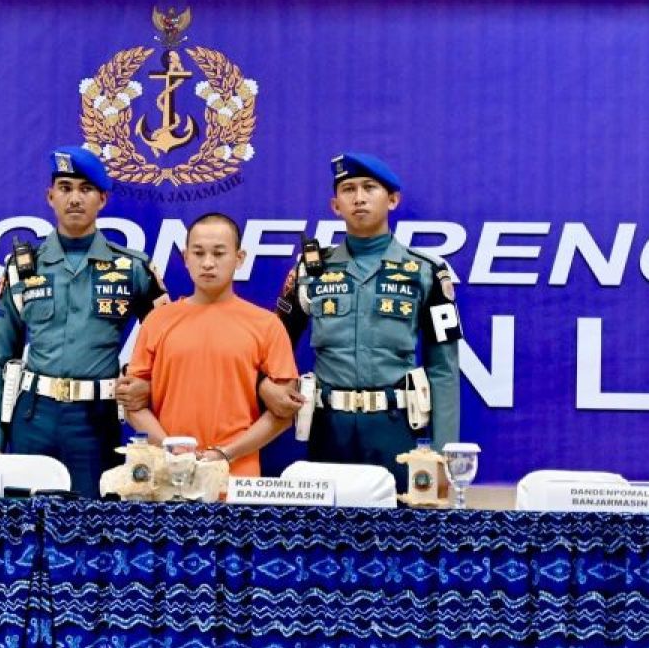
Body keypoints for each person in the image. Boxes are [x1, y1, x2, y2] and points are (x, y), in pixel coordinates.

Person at [0, 145, 169, 497]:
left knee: (92, 521)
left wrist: (148, 386)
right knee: (25, 520)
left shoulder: (132, 268)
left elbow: (168, 346)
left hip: (96, 419)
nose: (75, 199)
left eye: (86, 190)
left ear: (103, 199)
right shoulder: (22, 268)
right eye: (65, 188)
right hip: (33, 417)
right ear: (50, 197)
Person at [271, 152, 463, 489]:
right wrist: (272, 388)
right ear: (335, 206)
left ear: (392, 200)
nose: (359, 198)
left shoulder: (427, 272)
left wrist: (444, 454)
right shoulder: (310, 270)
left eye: (369, 187)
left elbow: (444, 369)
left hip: (396, 428)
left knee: (400, 520)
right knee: (327, 522)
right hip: (328, 428)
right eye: (348, 189)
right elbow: (275, 346)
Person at [123, 213, 298, 476]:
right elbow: (133, 404)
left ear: (239, 258)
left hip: (237, 474)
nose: (207, 263)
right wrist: (172, 449)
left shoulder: (267, 325)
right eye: (198, 253)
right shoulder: (157, 321)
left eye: (218, 253)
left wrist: (227, 453)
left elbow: (283, 413)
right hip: (168, 474)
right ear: (185, 257)